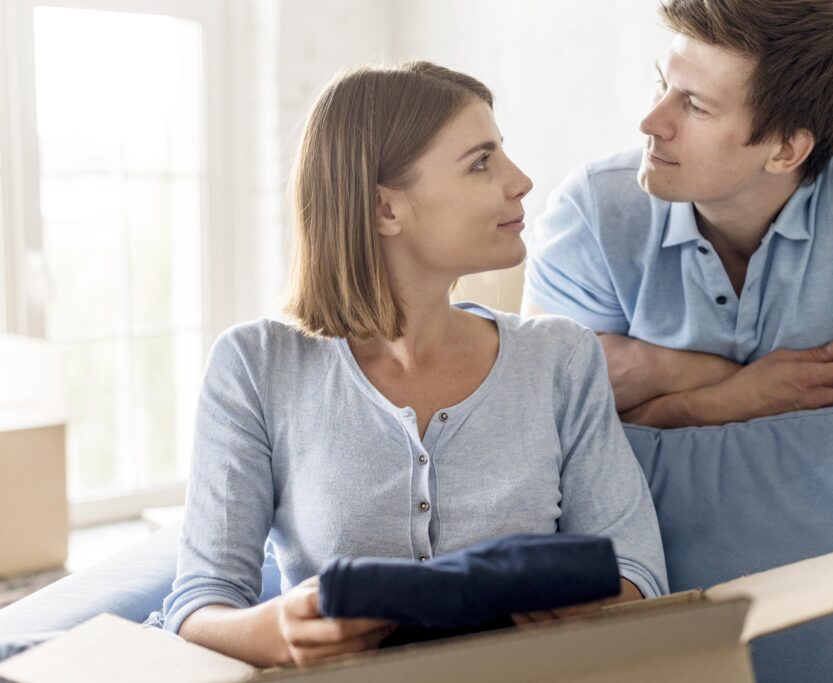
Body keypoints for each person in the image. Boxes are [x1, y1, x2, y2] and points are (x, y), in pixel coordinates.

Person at [159, 62, 667, 667]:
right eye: (482, 162)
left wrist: (591, 604)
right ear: (385, 210)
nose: (522, 181)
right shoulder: (256, 365)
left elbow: (639, 572)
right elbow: (198, 607)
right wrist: (277, 631)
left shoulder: (560, 356)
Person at [522, 0, 833, 428]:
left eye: (695, 105)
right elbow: (546, 429)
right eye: (662, 83)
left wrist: (650, 376)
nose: (651, 122)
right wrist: (718, 394)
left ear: (786, 150)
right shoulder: (592, 208)